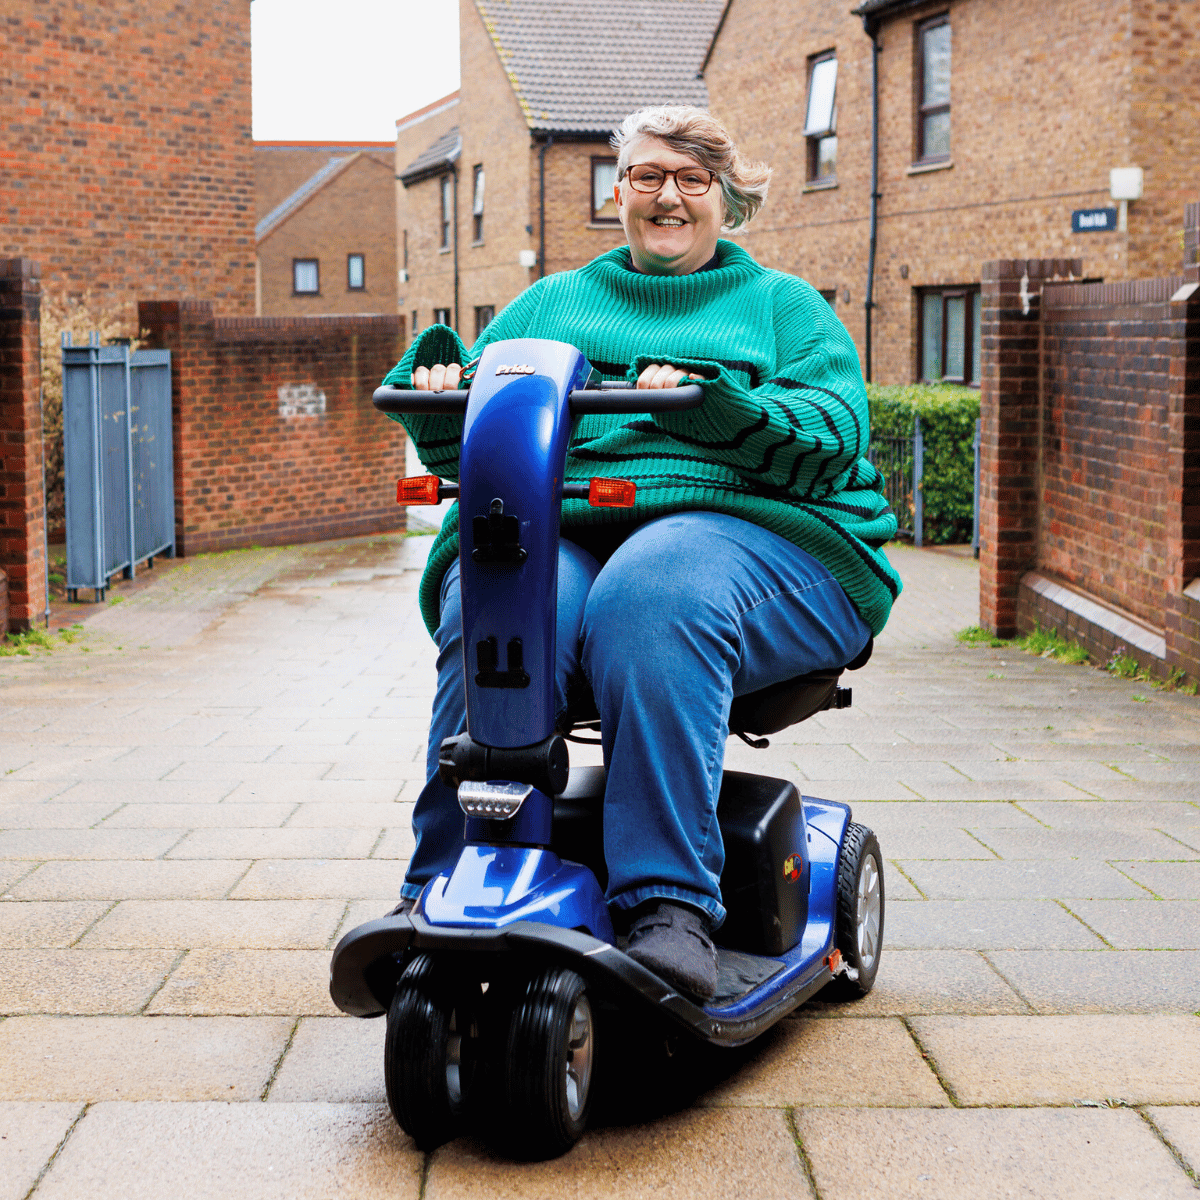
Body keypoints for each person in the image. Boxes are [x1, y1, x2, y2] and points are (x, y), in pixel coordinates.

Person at [382, 105, 901, 1000]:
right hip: (575, 526)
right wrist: (443, 391)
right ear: (618, 192)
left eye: (693, 179)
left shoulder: (783, 309)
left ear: (728, 200)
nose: (668, 196)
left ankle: (670, 905)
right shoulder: (552, 305)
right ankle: (440, 884)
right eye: (649, 176)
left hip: (767, 532)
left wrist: (714, 405)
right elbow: (483, 453)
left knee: (653, 592)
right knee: (498, 596)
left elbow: (832, 437)